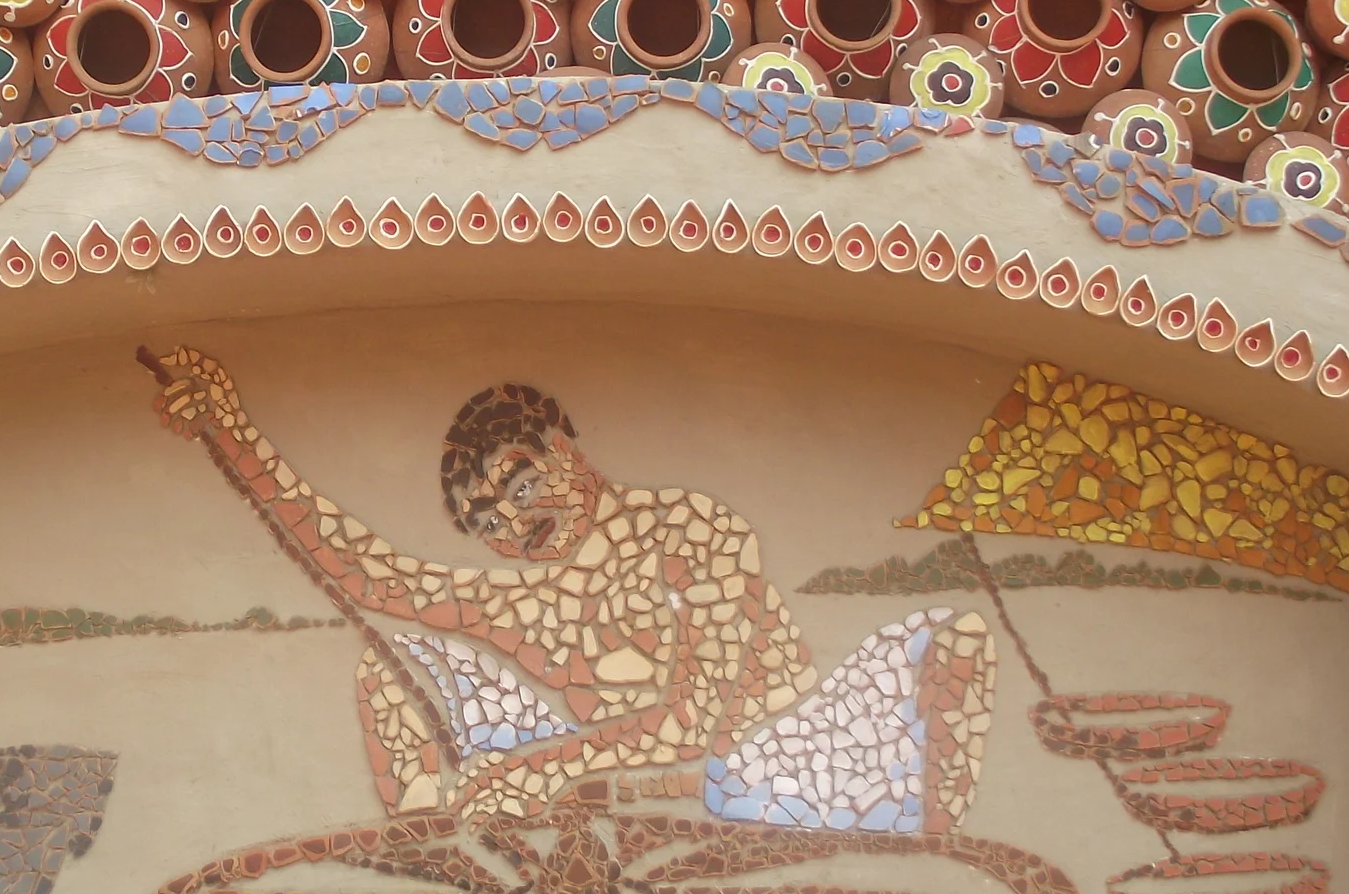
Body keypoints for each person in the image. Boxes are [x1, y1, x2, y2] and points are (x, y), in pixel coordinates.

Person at [146, 346, 991, 830]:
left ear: (564, 447)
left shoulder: (691, 528)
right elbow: (371, 574)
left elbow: (693, 722)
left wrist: (537, 770)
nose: (515, 522)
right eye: (487, 518)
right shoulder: (529, 604)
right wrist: (233, 427)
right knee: (394, 665)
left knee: (953, 636)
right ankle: (444, 869)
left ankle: (951, 869)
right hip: (615, 786)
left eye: (520, 483)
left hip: (772, 768)